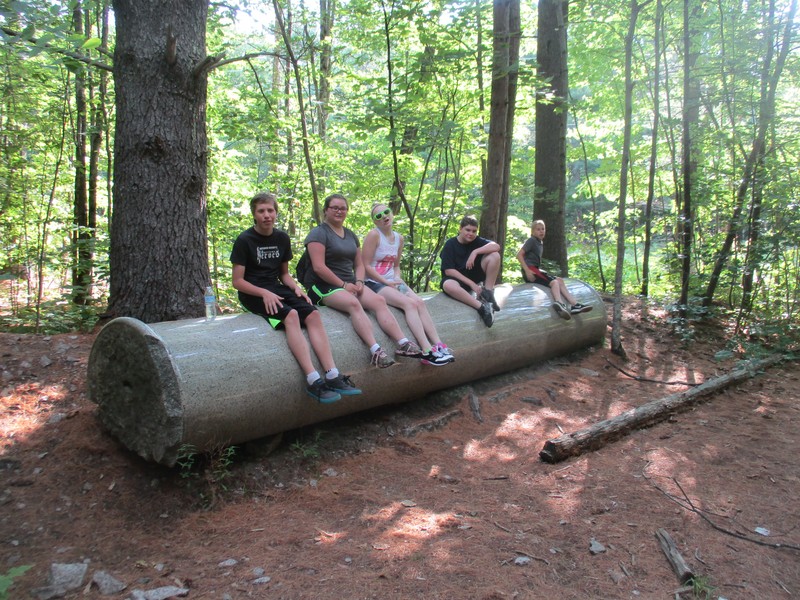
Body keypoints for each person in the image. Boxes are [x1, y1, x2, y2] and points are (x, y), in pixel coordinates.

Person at [230, 192, 362, 404]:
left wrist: (295, 288)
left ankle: (332, 374)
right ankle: (312, 380)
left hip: (276, 287)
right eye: (261, 211)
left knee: (313, 315)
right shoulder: (245, 240)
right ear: (254, 214)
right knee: (291, 316)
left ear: (276, 212)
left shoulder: (281, 238)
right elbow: (237, 281)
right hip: (253, 292)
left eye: (270, 210)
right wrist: (264, 293)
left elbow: (283, 274)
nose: (266, 215)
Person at [302, 193, 423, 368]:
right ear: (326, 211)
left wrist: (359, 281)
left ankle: (403, 343)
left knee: (379, 301)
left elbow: (359, 264)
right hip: (323, 285)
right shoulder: (318, 233)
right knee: (353, 304)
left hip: (350, 282)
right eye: (334, 208)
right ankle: (376, 351)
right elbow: (319, 267)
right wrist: (343, 285)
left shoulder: (350, 235)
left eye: (343, 208)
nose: (339, 211)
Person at [362, 203, 454, 366]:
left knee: (419, 302)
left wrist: (397, 279)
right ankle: (426, 351)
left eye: (386, 212)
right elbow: (366, 266)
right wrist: (386, 282)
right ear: (375, 221)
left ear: (392, 213)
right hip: (375, 283)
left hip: (392, 280)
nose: (384, 216)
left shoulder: (399, 238)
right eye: (378, 216)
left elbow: (396, 265)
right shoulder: (373, 235)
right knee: (409, 304)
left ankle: (438, 345)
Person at [517, 219, 592, 320]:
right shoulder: (532, 241)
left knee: (560, 280)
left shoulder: (539, 242)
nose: (541, 231)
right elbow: (519, 255)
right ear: (533, 231)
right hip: (531, 270)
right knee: (554, 283)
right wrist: (527, 271)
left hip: (535, 269)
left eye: (543, 229)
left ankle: (574, 305)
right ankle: (559, 304)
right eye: (538, 229)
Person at [439, 215, 501, 328]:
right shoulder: (450, 244)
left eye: (474, 231)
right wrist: (471, 284)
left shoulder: (476, 241)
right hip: (457, 279)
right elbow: (448, 271)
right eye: (467, 230)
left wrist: (475, 252)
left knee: (494, 255)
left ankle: (488, 293)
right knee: (448, 285)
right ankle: (482, 308)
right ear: (460, 229)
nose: (471, 233)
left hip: (473, 274)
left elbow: (496, 246)